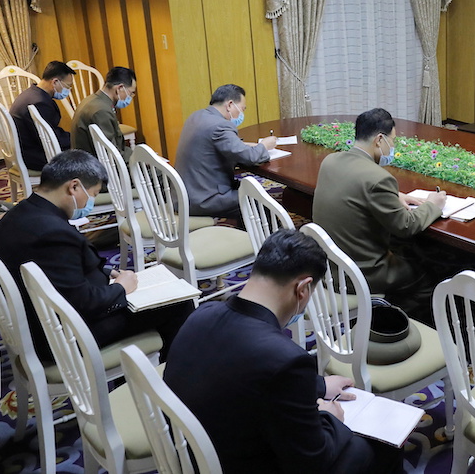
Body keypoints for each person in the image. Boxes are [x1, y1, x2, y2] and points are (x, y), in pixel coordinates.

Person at [163, 229, 399, 474]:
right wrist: (329, 417)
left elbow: (242, 374)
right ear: (303, 289)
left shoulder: (202, 314)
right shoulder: (286, 359)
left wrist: (318, 385)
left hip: (196, 452)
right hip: (245, 463)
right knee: (381, 444)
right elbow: (313, 461)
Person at [0, 150, 192, 361]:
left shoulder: (16, 214)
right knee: (178, 303)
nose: (90, 204)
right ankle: (173, 380)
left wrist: (106, 272)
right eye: (94, 194)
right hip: (64, 336)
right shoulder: (54, 233)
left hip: (36, 320)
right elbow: (83, 303)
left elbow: (56, 270)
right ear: (74, 187)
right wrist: (120, 289)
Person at [312, 108, 446, 321]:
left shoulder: (330, 161)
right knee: (428, 275)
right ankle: (391, 324)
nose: (392, 147)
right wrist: (433, 205)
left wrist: (396, 195)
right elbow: (406, 227)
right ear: (379, 139)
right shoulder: (378, 178)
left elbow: (355, 185)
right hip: (359, 273)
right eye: (392, 141)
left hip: (327, 266)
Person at [173, 84, 276, 221]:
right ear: (230, 105)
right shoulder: (220, 126)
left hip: (186, 193)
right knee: (259, 200)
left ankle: (245, 234)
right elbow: (250, 157)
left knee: (251, 188)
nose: (242, 114)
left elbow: (218, 144)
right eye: (242, 109)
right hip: (203, 199)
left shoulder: (197, 116)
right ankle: (264, 240)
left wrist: (249, 145)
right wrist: (264, 146)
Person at [9, 61, 76, 170]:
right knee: (83, 156)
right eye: (68, 86)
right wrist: (75, 138)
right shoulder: (40, 103)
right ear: (55, 82)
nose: (68, 91)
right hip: (34, 155)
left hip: (24, 150)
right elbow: (49, 138)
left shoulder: (31, 93)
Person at [71, 66, 136, 162]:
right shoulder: (101, 111)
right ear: (120, 88)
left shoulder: (92, 100)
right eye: (131, 93)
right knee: (160, 172)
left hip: (89, 161)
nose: (130, 97)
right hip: (96, 167)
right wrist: (139, 160)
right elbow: (113, 154)